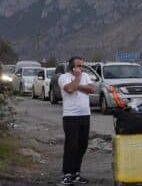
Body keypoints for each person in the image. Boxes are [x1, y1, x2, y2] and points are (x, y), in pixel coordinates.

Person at [58, 56, 96, 186]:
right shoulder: (64, 77)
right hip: (71, 116)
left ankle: (76, 173)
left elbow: (92, 89)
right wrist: (78, 79)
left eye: (82, 66)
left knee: (82, 145)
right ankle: (67, 174)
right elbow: (69, 89)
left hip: (85, 115)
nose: (81, 68)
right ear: (72, 67)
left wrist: (77, 85)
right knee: (71, 145)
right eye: (78, 66)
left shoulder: (86, 76)